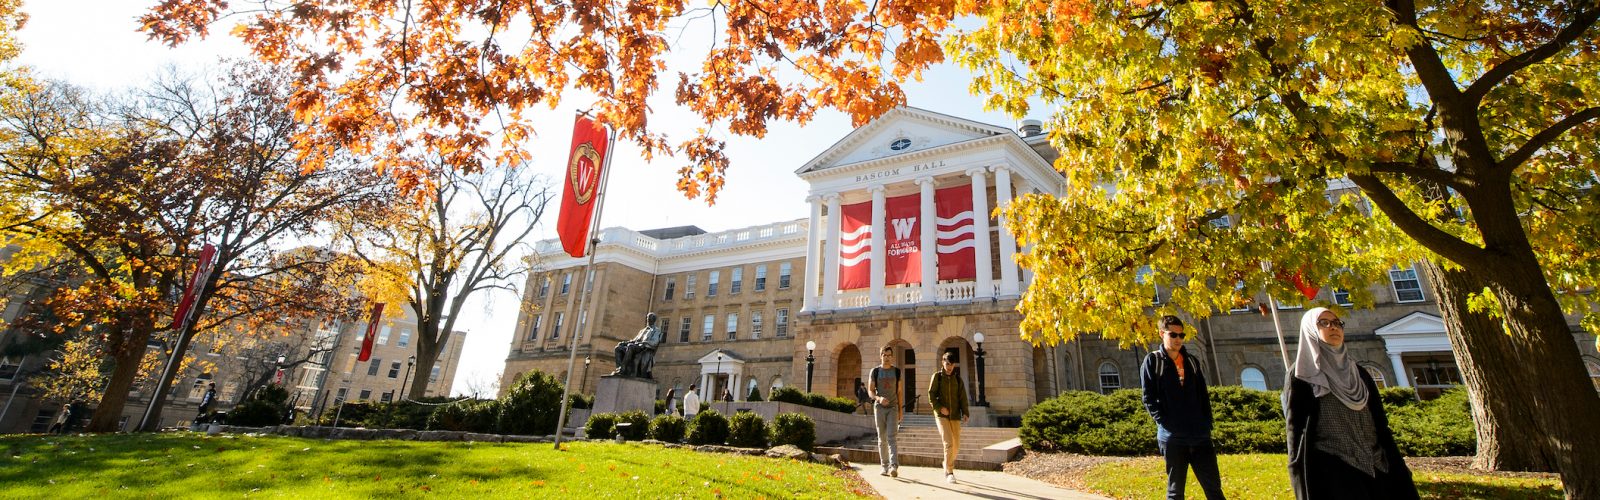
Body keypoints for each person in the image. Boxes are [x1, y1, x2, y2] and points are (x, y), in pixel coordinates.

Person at [1285, 307, 1417, 499]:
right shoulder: (1302, 375)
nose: (1333, 327)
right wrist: (1299, 481)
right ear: (1310, 330)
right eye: (1324, 323)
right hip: (1334, 470)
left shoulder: (1360, 373)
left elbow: (1380, 423)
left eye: (1337, 323)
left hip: (1377, 466)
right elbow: (1295, 432)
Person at [1140, 315, 1226, 500]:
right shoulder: (1154, 362)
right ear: (1162, 334)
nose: (1178, 339)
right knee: (1175, 492)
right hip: (1173, 438)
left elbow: (1203, 396)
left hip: (1200, 436)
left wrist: (1206, 423)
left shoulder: (1192, 362)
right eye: (1173, 335)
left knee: (1214, 490)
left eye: (1181, 335)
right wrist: (1165, 423)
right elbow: (1148, 398)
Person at [927, 351, 968, 484]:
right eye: (947, 364)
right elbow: (931, 395)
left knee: (956, 445)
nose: (949, 367)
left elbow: (962, 397)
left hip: (955, 414)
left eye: (952, 364)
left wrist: (965, 412)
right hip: (941, 415)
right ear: (943, 363)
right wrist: (940, 408)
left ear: (954, 365)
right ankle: (949, 472)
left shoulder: (958, 379)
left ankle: (946, 462)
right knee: (948, 442)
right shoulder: (937, 377)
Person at [867, 346, 903, 477]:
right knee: (882, 438)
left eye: (889, 355)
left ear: (892, 357)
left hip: (893, 407)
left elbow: (899, 392)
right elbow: (870, 391)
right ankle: (884, 466)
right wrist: (878, 398)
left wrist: (900, 410)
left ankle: (894, 466)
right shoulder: (875, 371)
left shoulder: (897, 372)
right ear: (880, 356)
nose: (887, 358)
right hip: (879, 408)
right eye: (884, 355)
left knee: (891, 437)